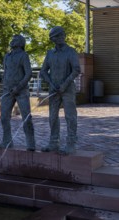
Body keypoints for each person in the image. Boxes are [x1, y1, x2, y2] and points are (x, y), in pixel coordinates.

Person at [40, 26, 81, 154]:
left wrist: (64, 84)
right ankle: (53, 142)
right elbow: (43, 71)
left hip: (68, 89)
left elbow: (76, 70)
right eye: (55, 37)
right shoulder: (50, 53)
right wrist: (51, 83)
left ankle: (71, 143)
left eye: (59, 35)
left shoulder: (71, 52)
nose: (58, 38)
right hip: (53, 90)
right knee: (52, 117)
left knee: (70, 116)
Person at [0, 34, 35, 151]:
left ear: (20, 42)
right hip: (7, 91)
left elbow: (28, 73)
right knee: (4, 117)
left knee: (26, 117)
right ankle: (7, 141)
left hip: (21, 91)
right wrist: (4, 85)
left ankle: (30, 143)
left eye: (14, 39)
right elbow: (5, 72)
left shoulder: (24, 55)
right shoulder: (7, 56)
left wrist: (19, 86)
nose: (12, 41)